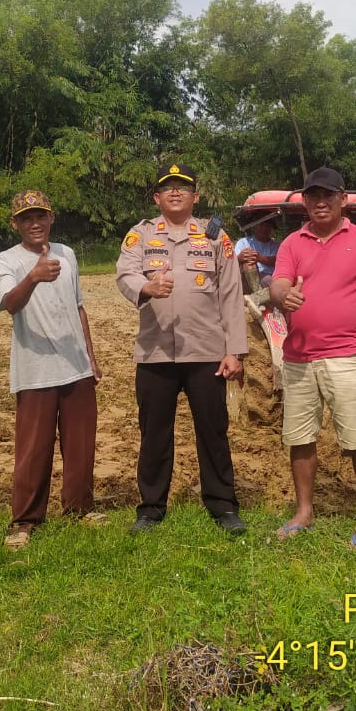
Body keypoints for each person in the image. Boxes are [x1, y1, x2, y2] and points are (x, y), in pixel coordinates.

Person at [115, 163, 248, 535]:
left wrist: (235, 351)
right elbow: (125, 273)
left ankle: (223, 506)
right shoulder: (141, 234)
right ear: (157, 198)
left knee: (213, 431)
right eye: (168, 188)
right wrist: (146, 287)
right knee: (154, 433)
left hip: (206, 351)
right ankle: (150, 509)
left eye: (183, 187)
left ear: (195, 197)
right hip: (155, 352)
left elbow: (231, 293)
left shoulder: (215, 237)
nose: (176, 192)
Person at [269, 167, 356, 548]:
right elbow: (278, 283)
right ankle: (304, 512)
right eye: (313, 196)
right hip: (299, 357)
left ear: (343, 199)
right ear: (304, 201)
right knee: (300, 438)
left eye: (328, 195)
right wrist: (283, 295)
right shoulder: (293, 243)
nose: (320, 202)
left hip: (346, 355)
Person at [0, 190, 100, 550]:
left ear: (51, 218)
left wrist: (91, 357)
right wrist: (33, 277)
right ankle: (25, 519)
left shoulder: (67, 254)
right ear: (15, 224)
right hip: (35, 368)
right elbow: (9, 304)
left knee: (80, 444)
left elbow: (79, 307)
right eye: (26, 218)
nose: (34, 223)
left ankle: (80, 508)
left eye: (40, 216)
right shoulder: (7, 260)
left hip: (76, 365)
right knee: (33, 449)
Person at [235, 215, 280, 290]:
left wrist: (259, 258)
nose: (264, 228)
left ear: (271, 228)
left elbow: (277, 260)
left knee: (271, 282)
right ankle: (254, 290)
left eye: (267, 226)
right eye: (261, 225)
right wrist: (239, 258)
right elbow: (231, 262)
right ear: (255, 226)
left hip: (267, 276)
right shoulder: (243, 242)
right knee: (248, 262)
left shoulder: (276, 245)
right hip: (245, 276)